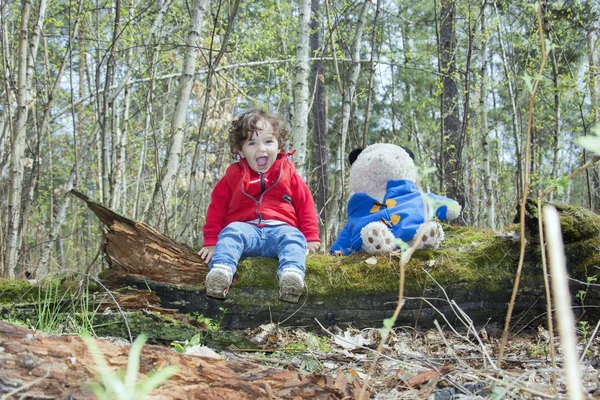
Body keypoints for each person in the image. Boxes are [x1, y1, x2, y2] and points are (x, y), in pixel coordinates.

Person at [198, 108, 321, 303]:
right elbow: (217, 208)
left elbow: (305, 204)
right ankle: (221, 272)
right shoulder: (233, 176)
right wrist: (211, 240)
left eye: (268, 141)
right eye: (252, 143)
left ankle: (291, 275)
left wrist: (311, 235)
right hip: (247, 232)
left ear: (279, 145)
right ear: (241, 150)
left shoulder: (288, 174)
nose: (261, 149)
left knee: (294, 238)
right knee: (231, 232)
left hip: (281, 231)